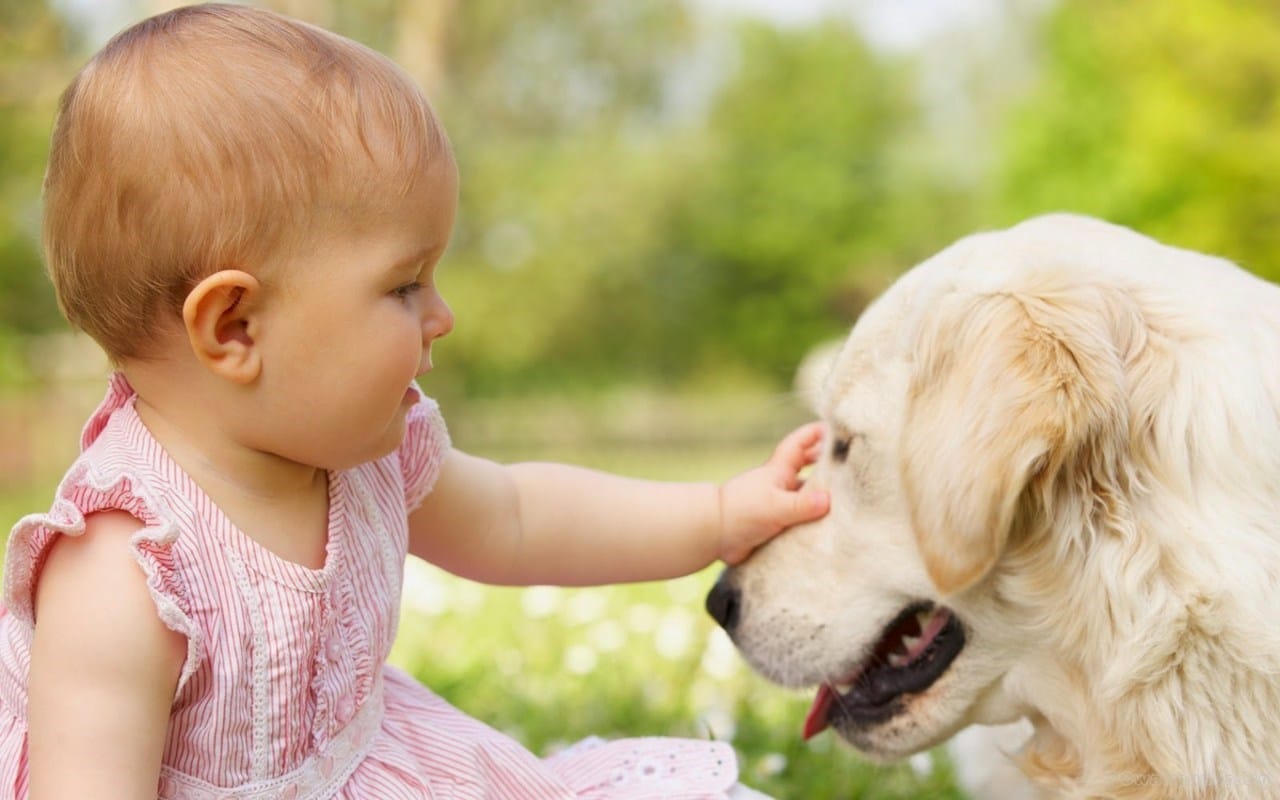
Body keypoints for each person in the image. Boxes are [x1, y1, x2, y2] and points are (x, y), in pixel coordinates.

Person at [0, 5, 830, 799]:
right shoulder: (126, 570)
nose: (442, 316)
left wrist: (718, 514)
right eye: (404, 284)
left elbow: (517, 518)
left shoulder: (366, 454)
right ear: (235, 325)